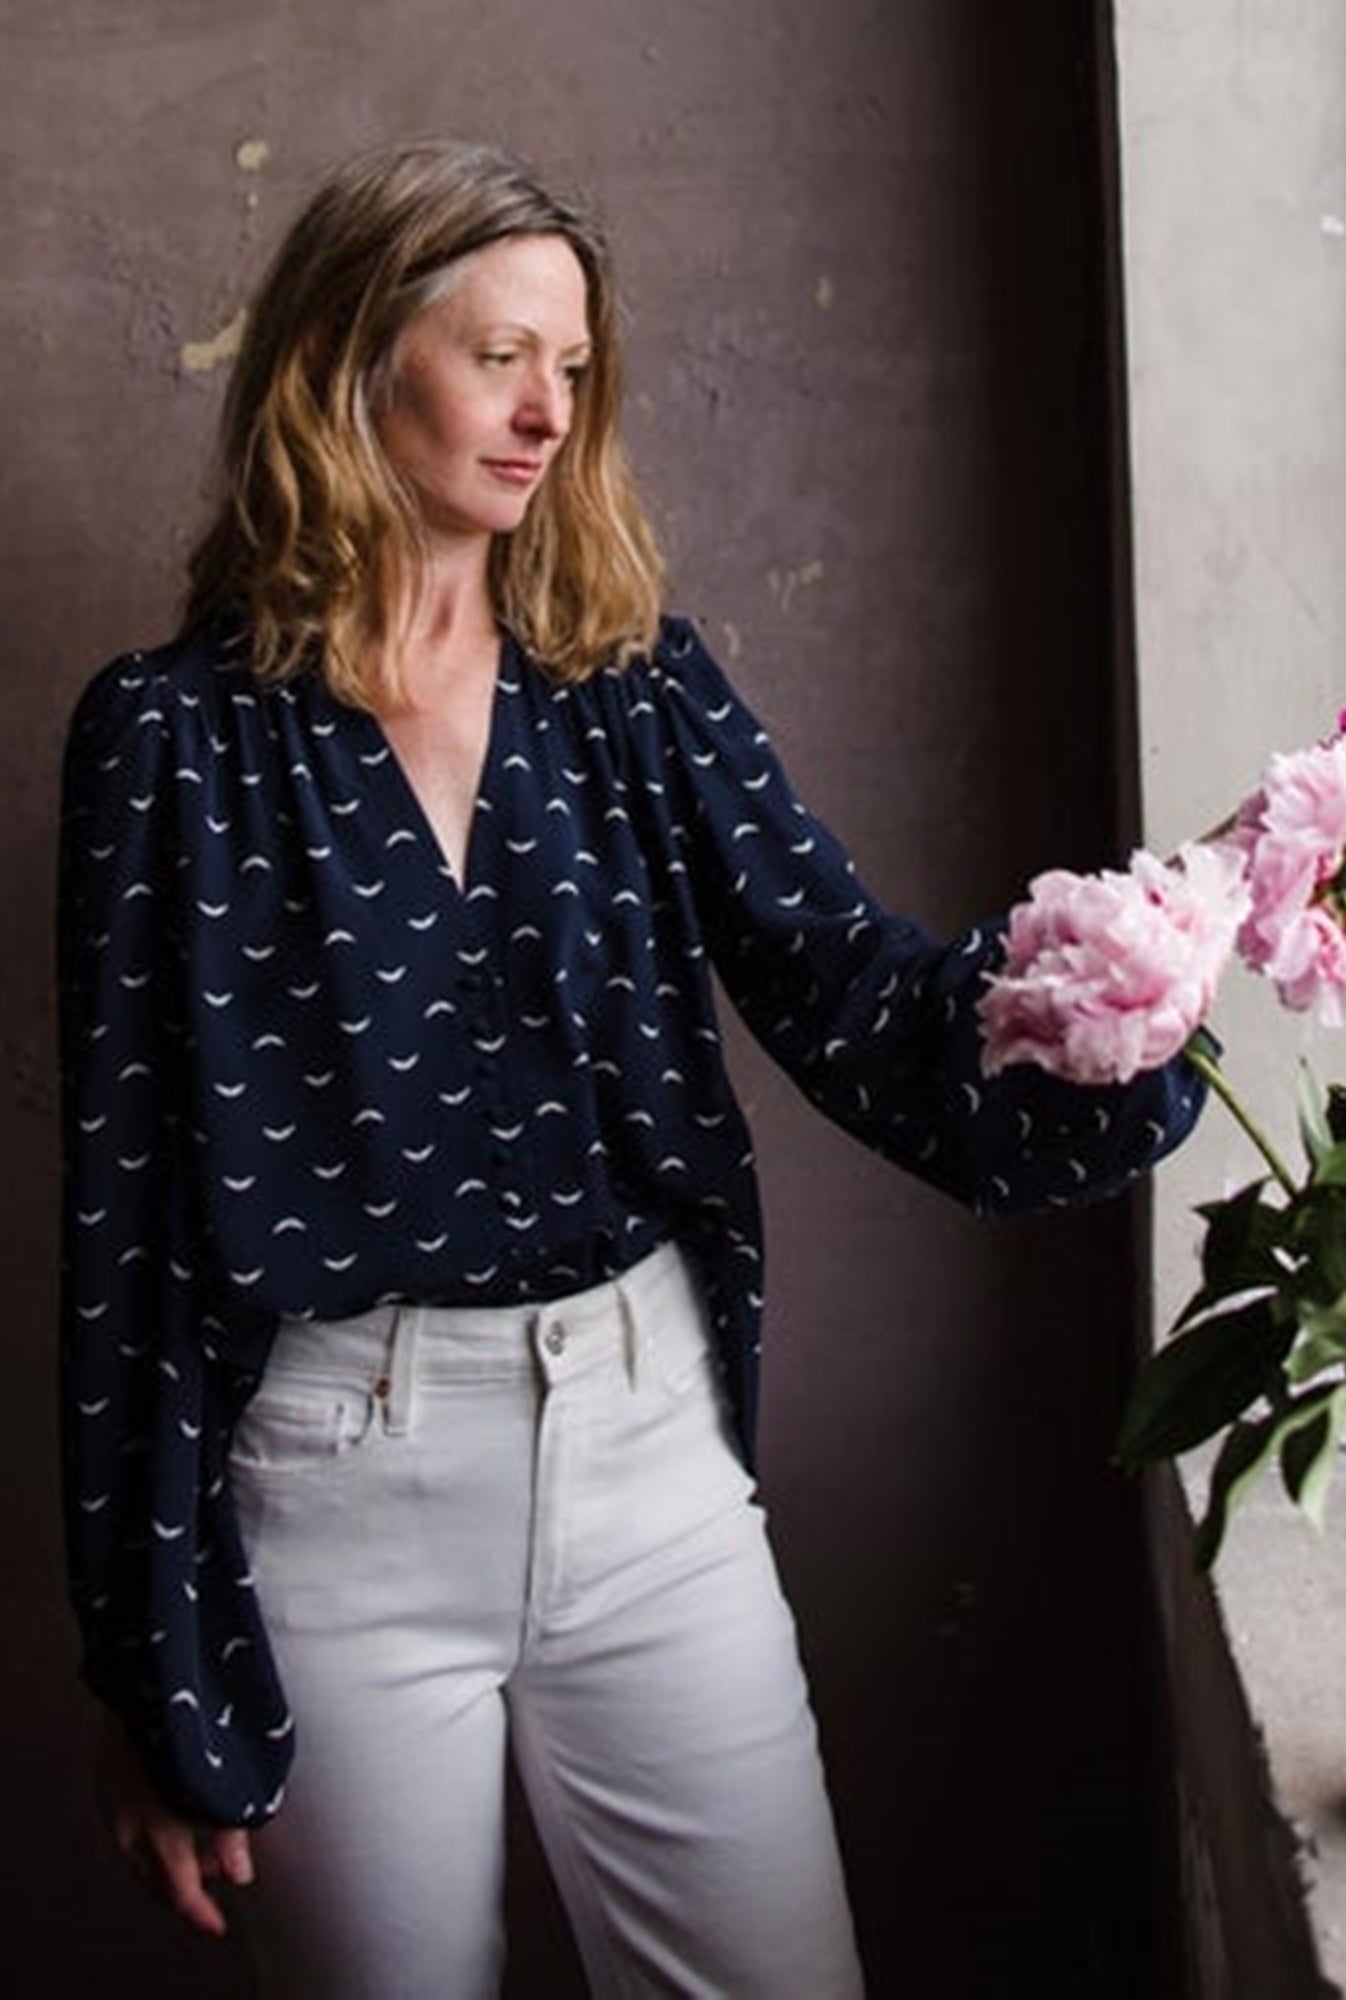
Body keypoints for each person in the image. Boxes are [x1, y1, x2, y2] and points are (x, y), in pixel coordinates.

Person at [58, 139, 1204, 1998]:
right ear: (351, 362)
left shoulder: (632, 685)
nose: (544, 413)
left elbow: (857, 995)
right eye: (499, 355)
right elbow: (126, 1220)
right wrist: (149, 1656)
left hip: (648, 1461)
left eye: (574, 370)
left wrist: (1103, 1007)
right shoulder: (170, 745)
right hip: (338, 1493)